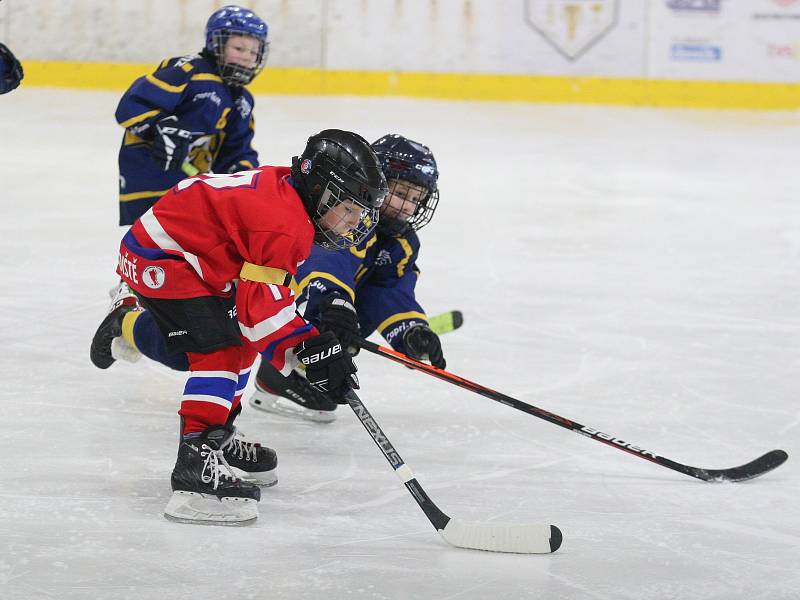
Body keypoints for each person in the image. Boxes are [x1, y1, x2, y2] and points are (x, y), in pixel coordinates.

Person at [90, 129, 388, 525]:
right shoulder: (285, 225)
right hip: (162, 256)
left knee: (238, 345)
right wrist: (311, 353)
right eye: (347, 209)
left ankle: (216, 435)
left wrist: (309, 351)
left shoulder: (293, 196)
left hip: (196, 255)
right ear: (320, 190)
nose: (353, 223)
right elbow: (259, 314)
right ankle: (195, 470)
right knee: (221, 352)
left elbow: (261, 311)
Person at [248, 134, 446, 423]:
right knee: (335, 311)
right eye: (402, 194)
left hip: (308, 304)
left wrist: (409, 330)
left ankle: (305, 365)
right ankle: (279, 371)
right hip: (271, 298)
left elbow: (388, 288)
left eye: (416, 199)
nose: (408, 207)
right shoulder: (346, 214)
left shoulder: (400, 241)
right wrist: (334, 300)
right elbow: (325, 257)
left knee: (348, 318)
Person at [114, 5, 268, 226]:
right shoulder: (189, 71)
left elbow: (236, 150)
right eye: (239, 48)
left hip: (189, 187)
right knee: (153, 242)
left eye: (254, 52)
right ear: (217, 43)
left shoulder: (242, 101)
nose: (246, 57)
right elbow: (132, 104)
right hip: (149, 176)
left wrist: (243, 176)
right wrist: (160, 126)